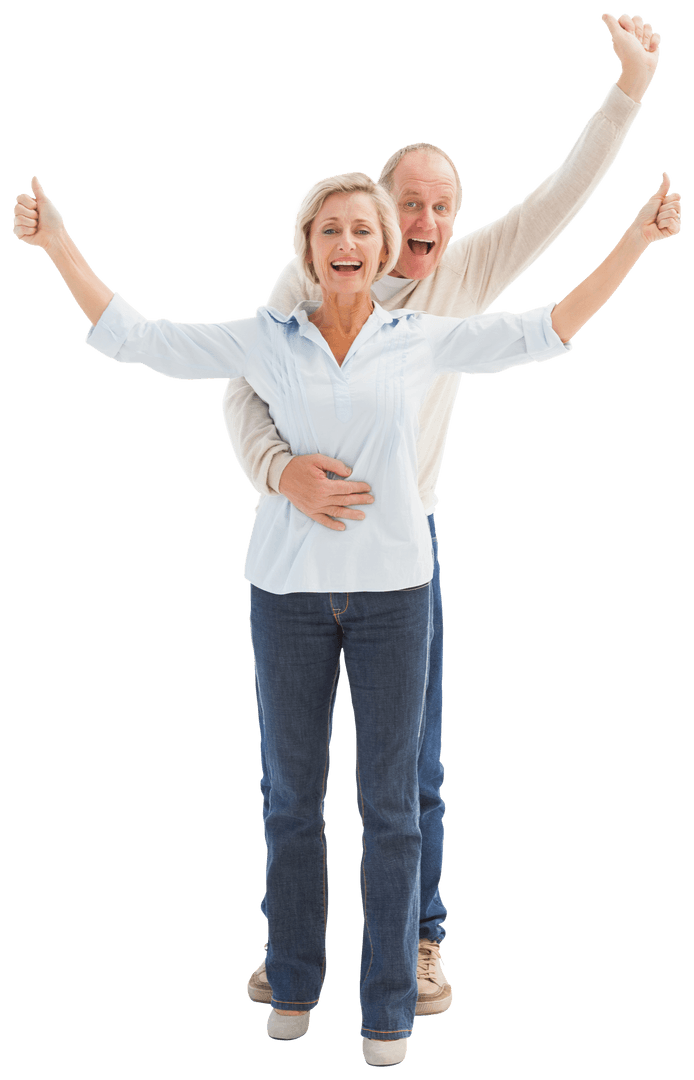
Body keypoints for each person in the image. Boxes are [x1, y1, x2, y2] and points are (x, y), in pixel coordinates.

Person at [12, 160, 680, 1064]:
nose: (349, 243)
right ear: (308, 250)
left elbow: (549, 326)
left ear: (385, 247)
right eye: (331, 231)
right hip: (285, 594)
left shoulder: (417, 337)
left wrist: (636, 241)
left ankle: (388, 1006)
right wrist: (57, 245)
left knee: (392, 805)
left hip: (395, 596)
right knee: (290, 799)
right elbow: (139, 337)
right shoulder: (266, 339)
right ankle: (291, 979)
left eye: (365, 229)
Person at [221, 10, 666, 1014]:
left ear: (455, 219)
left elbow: (560, 201)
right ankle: (291, 949)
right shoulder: (320, 267)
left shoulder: (462, 278)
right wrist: (279, 469)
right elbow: (240, 390)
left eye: (442, 206)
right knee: (290, 776)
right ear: (373, 209)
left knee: (407, 770)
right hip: (296, 552)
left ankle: (421, 941)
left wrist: (629, 90)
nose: (422, 221)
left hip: (401, 554)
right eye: (406, 203)